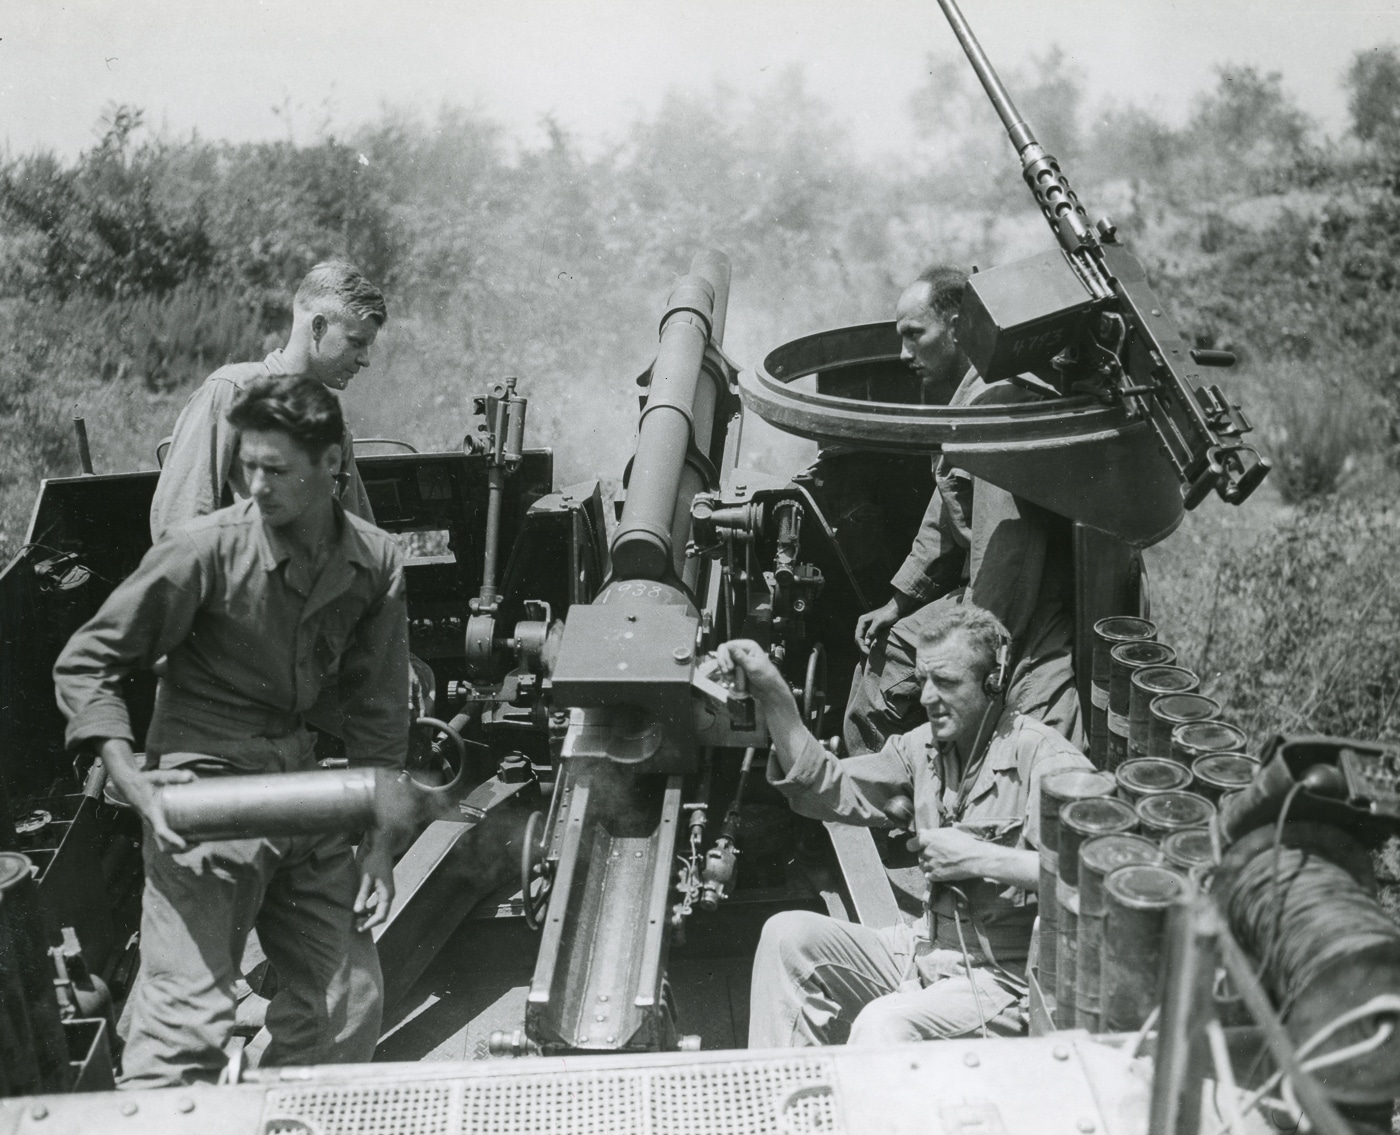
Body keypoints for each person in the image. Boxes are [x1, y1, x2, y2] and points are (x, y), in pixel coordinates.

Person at [55, 375, 409, 1087]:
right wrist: (134, 781)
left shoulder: (374, 562)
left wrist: (379, 847)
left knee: (346, 1002)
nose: (257, 487)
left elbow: (378, 711)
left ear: (332, 463)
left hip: (301, 786)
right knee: (184, 1029)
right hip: (202, 792)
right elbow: (87, 662)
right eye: (247, 467)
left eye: (276, 470)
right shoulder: (201, 552)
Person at [719, 604, 1091, 1047]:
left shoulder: (1048, 761)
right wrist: (774, 694)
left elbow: (1095, 885)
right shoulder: (925, 748)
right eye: (923, 681)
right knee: (787, 937)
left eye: (947, 683)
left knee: (884, 1024)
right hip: (927, 950)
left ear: (994, 683)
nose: (928, 697)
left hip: (1003, 979)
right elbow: (825, 785)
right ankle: (784, 1107)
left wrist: (982, 857)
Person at [844, 265, 1081, 755]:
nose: (904, 354)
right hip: (992, 593)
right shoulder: (968, 399)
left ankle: (910, 812)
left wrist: (974, 659)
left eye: (915, 335)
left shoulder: (992, 407)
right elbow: (944, 517)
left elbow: (1008, 564)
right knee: (882, 667)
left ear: (954, 326)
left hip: (1023, 610)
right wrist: (898, 603)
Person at [149, 260, 386, 543]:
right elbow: (181, 518)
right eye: (357, 342)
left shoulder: (334, 426)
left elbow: (356, 535)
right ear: (319, 326)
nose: (365, 359)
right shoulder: (233, 391)